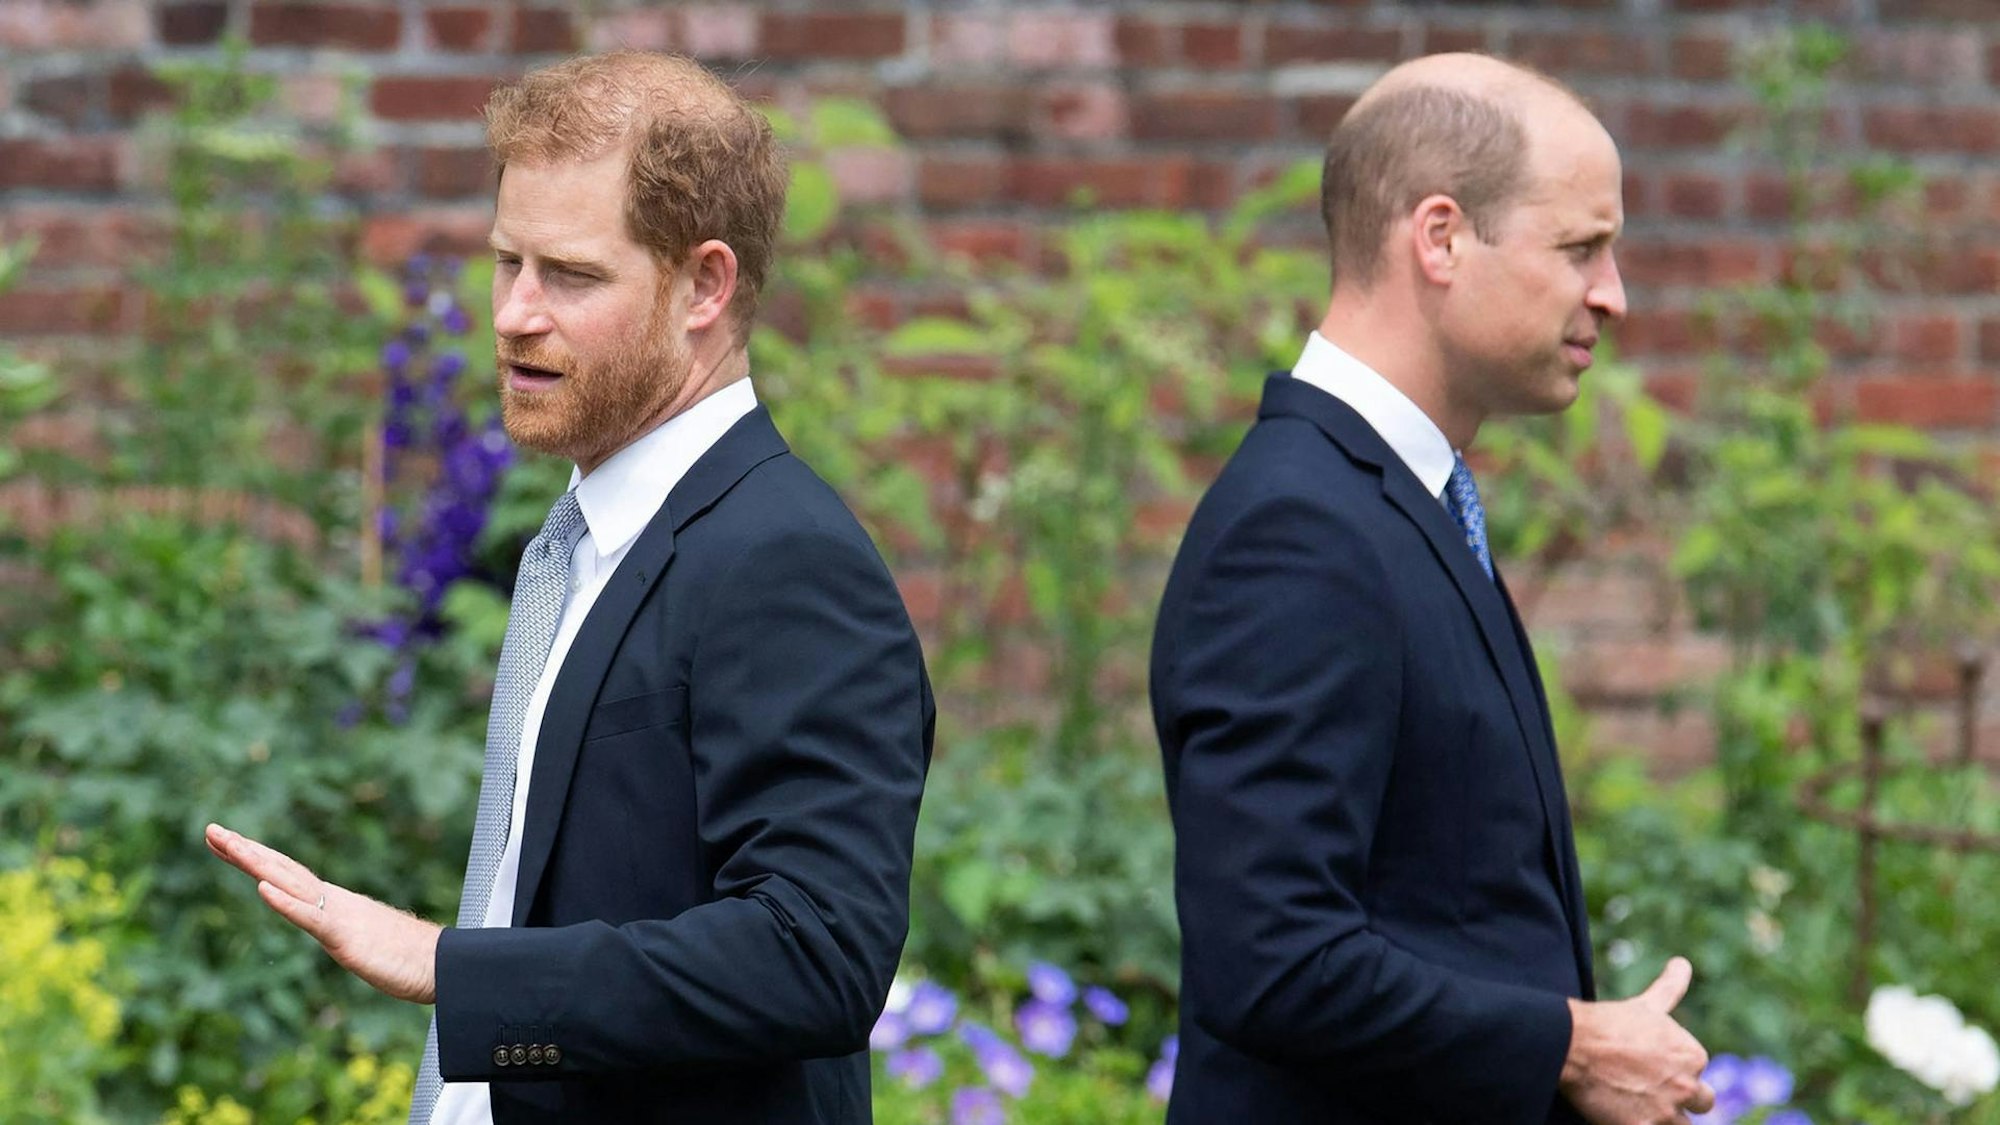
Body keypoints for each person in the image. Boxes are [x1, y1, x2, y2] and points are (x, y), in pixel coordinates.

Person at [207, 51, 934, 1124]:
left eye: (572, 276)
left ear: (705, 286)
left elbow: (816, 953)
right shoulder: (588, 537)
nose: (513, 314)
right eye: (508, 263)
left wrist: (454, 971)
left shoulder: (783, 560)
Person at [1150, 53, 1716, 1124]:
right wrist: (1568, 1043)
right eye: (1579, 248)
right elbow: (1269, 956)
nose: (1613, 295)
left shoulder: (1392, 502)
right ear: (1440, 238)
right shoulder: (1300, 530)